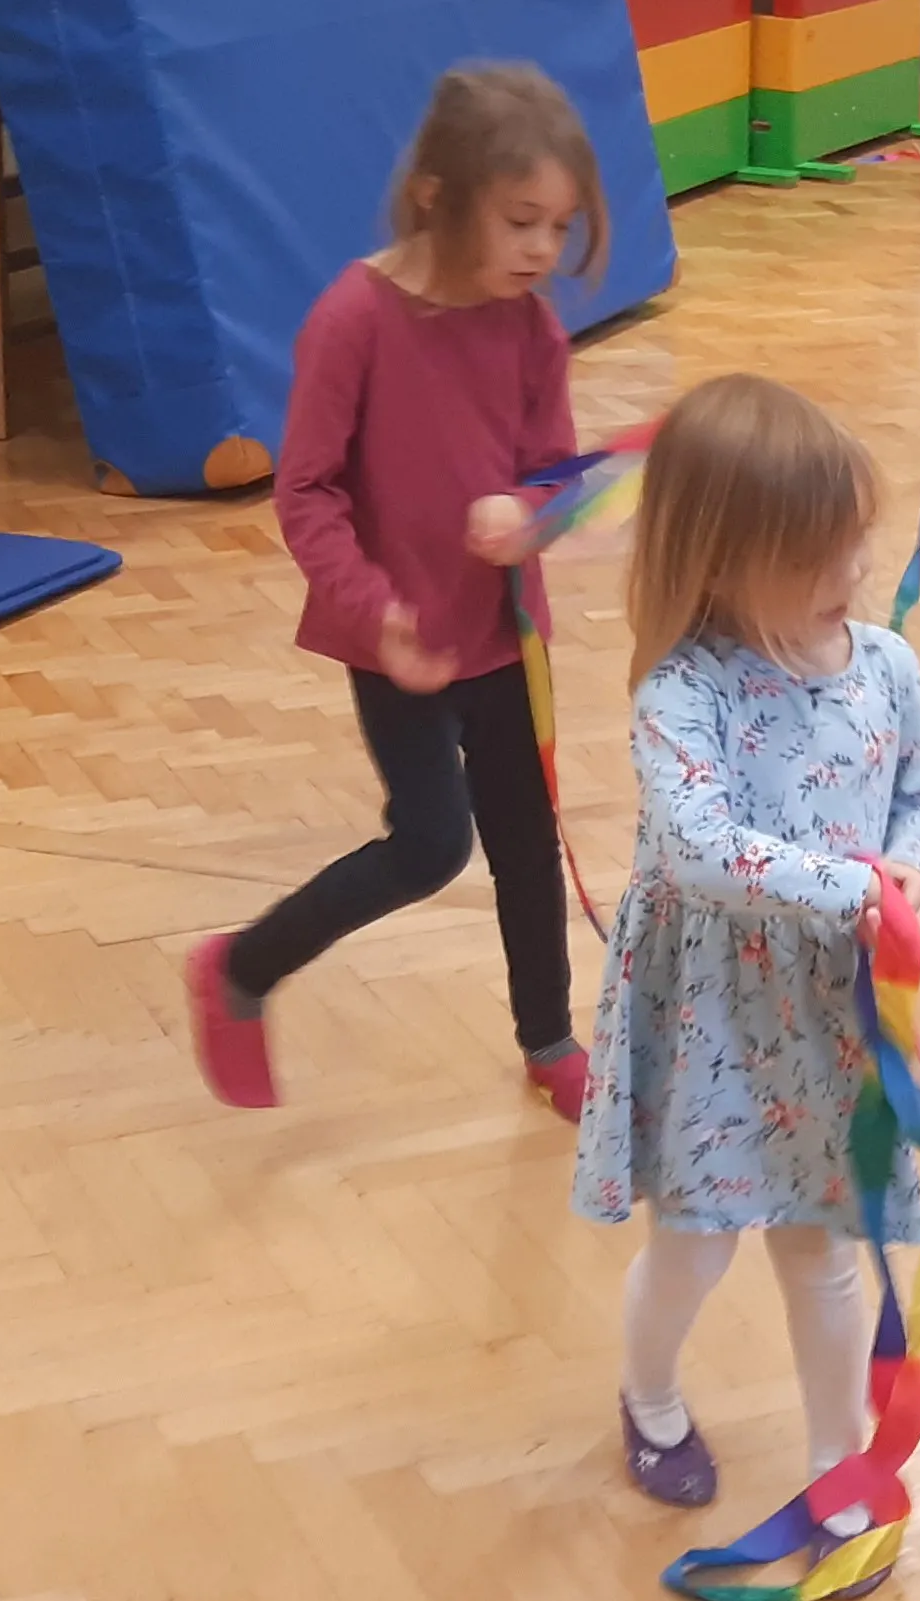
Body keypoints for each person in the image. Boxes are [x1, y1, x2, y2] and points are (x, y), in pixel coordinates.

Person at [188, 64, 609, 1118]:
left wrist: (534, 513)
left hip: (505, 639)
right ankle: (242, 968)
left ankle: (549, 1038)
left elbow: (557, 477)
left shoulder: (531, 330)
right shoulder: (354, 318)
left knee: (527, 844)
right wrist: (375, 609)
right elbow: (308, 492)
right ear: (436, 194)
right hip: (401, 646)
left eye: (558, 229)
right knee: (429, 843)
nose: (542, 253)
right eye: (522, 222)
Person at [571, 374, 920, 1512]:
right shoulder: (682, 693)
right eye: (820, 554)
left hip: (831, 1014)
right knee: (696, 1243)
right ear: (726, 561)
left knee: (822, 1247)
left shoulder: (886, 665)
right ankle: (647, 1396)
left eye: (856, 544)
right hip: (712, 1017)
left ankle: (839, 1465)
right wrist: (857, 888)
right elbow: (698, 850)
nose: (852, 573)